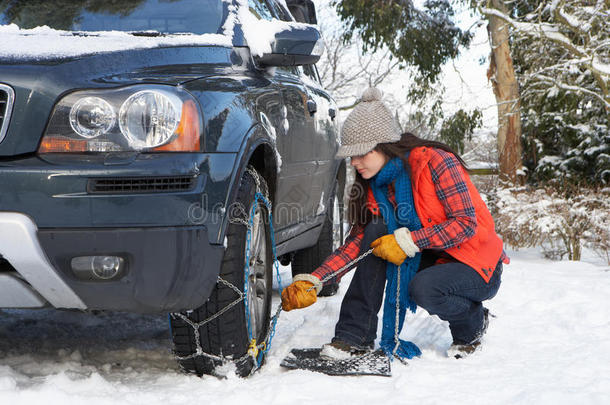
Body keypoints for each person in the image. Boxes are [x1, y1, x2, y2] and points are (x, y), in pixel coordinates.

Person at [281, 87, 509, 359]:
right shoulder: (376, 185)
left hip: (476, 264)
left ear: (384, 147)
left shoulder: (435, 162)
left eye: (361, 153)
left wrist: (410, 240)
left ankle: (472, 323)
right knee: (377, 233)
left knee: (424, 288)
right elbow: (359, 244)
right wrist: (316, 279)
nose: (354, 162)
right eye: (351, 156)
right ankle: (354, 336)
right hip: (433, 257)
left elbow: (465, 225)